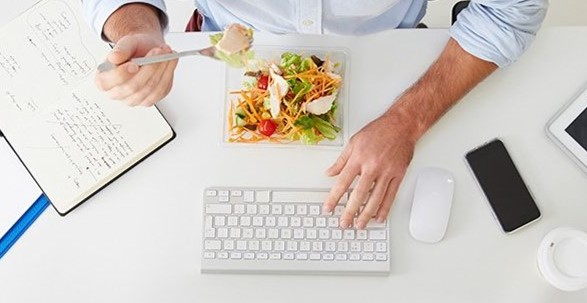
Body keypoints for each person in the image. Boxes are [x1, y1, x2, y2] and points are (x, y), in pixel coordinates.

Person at [82, 0, 548, 229]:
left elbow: (508, 13)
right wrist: (134, 21)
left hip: (391, 56)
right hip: (220, 55)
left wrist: (408, 119)